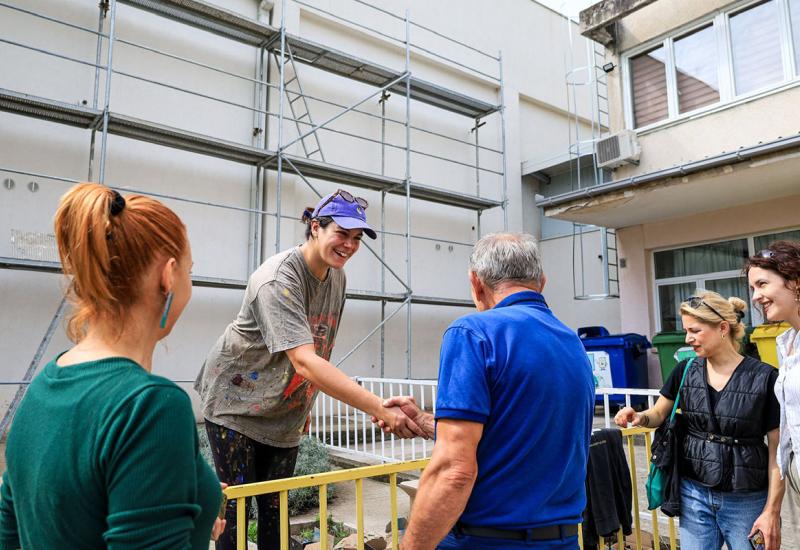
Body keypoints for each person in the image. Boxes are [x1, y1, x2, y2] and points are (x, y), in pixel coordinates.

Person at [194, 189, 424, 549]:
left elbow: (321, 345)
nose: (348, 245)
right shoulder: (278, 279)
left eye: (356, 238)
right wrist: (377, 407)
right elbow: (304, 359)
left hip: (283, 409)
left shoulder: (337, 278)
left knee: (277, 509)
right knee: (237, 514)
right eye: (341, 234)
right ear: (316, 227)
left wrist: (305, 404)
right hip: (235, 404)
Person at [0, 183, 224, 549]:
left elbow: (12, 532)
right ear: (168, 276)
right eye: (189, 270)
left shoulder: (40, 390)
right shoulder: (150, 407)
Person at [378, 232, 595, 549]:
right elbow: (523, 428)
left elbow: (454, 471)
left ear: (476, 283)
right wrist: (428, 423)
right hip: (561, 539)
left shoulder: (472, 332)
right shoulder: (571, 341)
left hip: (486, 539)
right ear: (541, 282)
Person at [615, 290, 782, 550]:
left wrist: (771, 511)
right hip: (693, 494)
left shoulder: (765, 378)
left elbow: (777, 452)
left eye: (695, 330)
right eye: (686, 330)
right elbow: (659, 413)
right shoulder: (686, 370)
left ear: (723, 328)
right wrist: (639, 417)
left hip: (747, 500)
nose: (687, 339)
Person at [746, 241, 800, 510]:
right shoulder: (787, 343)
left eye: (763, 284)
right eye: (753, 288)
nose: (755, 297)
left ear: (794, 281)